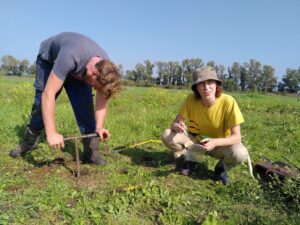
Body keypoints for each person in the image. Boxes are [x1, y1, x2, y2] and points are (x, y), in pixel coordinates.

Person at [10, 32, 121, 165]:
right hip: (49, 61)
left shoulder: (105, 67)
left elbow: (101, 99)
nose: (96, 90)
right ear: (95, 73)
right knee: (41, 103)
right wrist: (51, 133)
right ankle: (28, 144)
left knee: (84, 105)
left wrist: (99, 127)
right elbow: (48, 94)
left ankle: (91, 152)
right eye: (96, 86)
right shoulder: (70, 56)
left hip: (79, 67)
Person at [162, 66, 251, 184]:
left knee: (240, 153)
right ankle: (191, 158)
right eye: (201, 84)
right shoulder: (190, 99)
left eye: (210, 82)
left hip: (219, 145)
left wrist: (214, 142)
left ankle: (221, 168)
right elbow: (175, 122)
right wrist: (176, 126)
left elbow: (237, 137)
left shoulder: (228, 102)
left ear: (216, 85)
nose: (206, 87)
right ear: (196, 88)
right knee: (167, 134)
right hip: (195, 142)